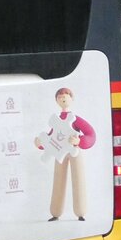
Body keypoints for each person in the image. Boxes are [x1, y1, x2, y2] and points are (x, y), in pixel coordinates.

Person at [34, 87, 96, 221]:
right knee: (58, 180)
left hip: (74, 152)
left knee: (78, 179)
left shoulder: (76, 119)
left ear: (71, 99)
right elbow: (51, 137)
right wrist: (40, 143)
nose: (63, 98)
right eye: (60, 97)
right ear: (56, 100)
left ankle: (80, 212)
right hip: (59, 152)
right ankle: (55, 212)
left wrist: (80, 141)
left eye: (66, 96)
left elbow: (91, 134)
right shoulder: (56, 120)